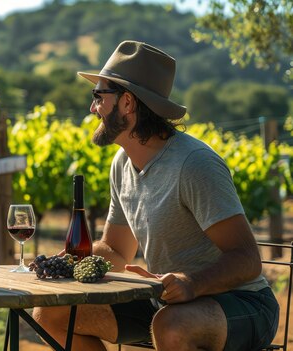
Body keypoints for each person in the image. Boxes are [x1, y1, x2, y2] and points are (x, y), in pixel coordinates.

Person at [33, 41, 279, 350]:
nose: (92, 107)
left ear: (127, 103)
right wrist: (71, 263)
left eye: (98, 96)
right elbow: (117, 250)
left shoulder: (194, 164)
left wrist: (192, 283)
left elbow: (247, 259)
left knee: (172, 326)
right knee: (51, 313)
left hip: (242, 303)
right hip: (167, 298)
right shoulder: (121, 164)